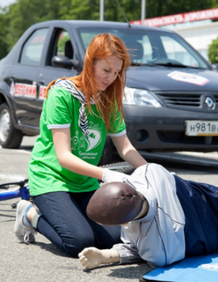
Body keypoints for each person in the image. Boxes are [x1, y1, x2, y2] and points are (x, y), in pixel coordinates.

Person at [14, 33, 148, 258]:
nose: (111, 79)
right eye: (106, 70)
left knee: (113, 240)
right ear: (90, 62)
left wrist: (151, 172)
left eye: (116, 73)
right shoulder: (61, 94)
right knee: (78, 242)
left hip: (84, 182)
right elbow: (64, 157)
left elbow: (125, 148)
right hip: (51, 179)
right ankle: (29, 214)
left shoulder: (109, 99)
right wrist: (106, 175)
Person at [78, 163, 218, 269]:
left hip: (208, 228)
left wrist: (107, 256)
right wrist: (103, 256)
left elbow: (137, 251)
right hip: (212, 198)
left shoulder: (160, 250)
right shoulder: (148, 171)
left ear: (125, 222)